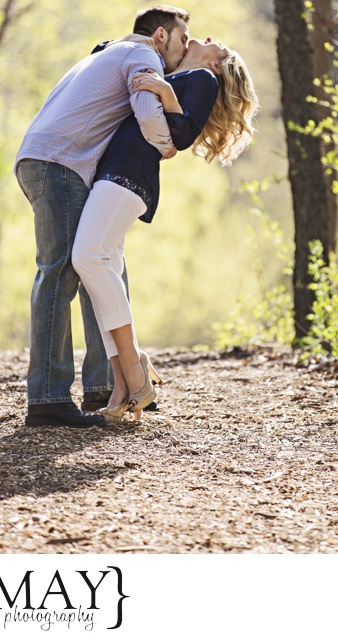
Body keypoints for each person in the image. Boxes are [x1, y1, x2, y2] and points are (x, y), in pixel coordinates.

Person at [15, 5, 189, 428]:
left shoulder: (102, 53)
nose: (186, 48)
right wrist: (169, 145)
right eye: (184, 38)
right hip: (62, 163)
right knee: (60, 271)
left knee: (95, 265)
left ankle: (101, 384)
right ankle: (48, 398)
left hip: (46, 158)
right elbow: (149, 115)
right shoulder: (143, 56)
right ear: (161, 35)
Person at [72, 37, 259, 422]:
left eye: (218, 45)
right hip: (114, 175)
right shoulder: (169, 71)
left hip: (129, 177)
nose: (208, 39)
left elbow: (184, 134)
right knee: (102, 269)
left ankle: (134, 367)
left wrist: (165, 91)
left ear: (218, 66)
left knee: (87, 258)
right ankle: (125, 383)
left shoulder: (202, 79)